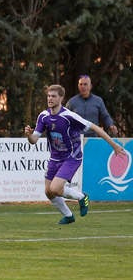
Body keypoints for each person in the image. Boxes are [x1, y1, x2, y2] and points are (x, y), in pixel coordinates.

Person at [24, 85, 125, 225]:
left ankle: (82, 197)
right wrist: (29, 135)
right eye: (48, 96)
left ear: (61, 98)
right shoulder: (43, 116)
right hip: (55, 157)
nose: (50, 98)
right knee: (48, 191)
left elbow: (95, 127)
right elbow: (34, 140)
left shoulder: (69, 116)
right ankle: (69, 215)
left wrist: (114, 145)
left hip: (72, 156)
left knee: (55, 189)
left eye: (53, 96)